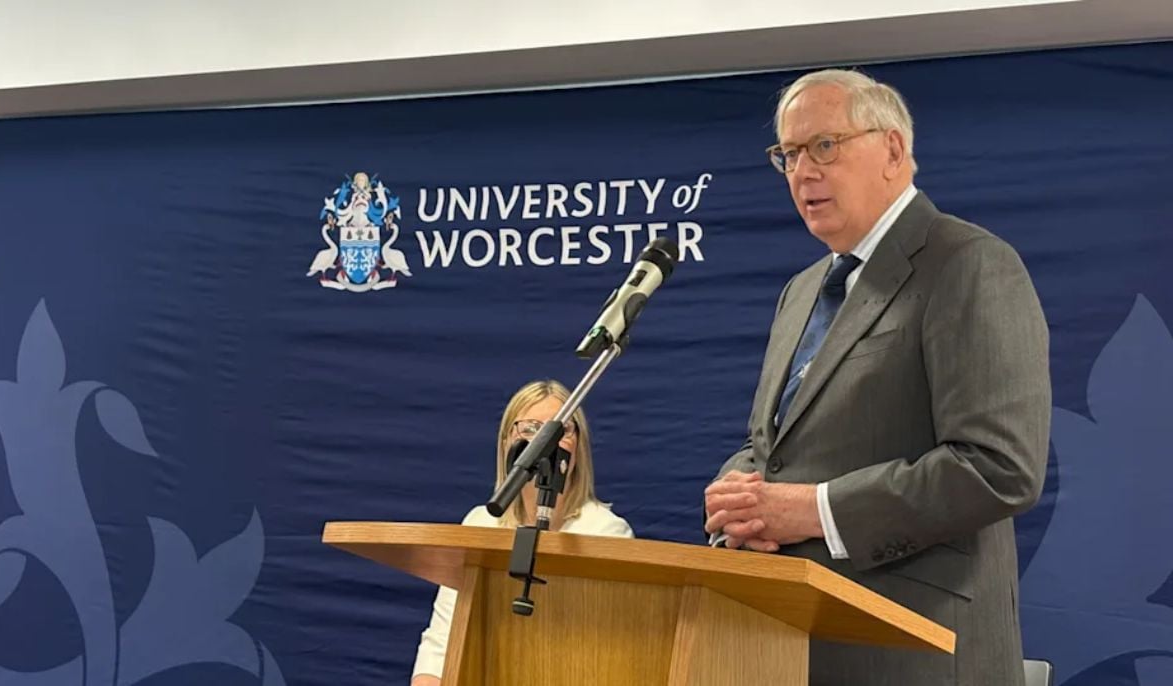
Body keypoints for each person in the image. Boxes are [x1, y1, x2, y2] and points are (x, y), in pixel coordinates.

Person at [703, 69, 1050, 685]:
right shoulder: (803, 290)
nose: (802, 171)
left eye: (824, 146)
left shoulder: (968, 264)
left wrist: (814, 510)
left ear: (893, 150)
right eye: (787, 154)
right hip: (792, 643)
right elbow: (781, 448)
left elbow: (999, 467)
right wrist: (743, 489)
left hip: (917, 652)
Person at [410, 380, 633, 686]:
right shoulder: (480, 524)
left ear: (578, 448)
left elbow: (607, 653)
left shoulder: (607, 532)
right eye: (529, 428)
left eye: (561, 430)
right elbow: (442, 641)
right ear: (506, 444)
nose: (544, 442)